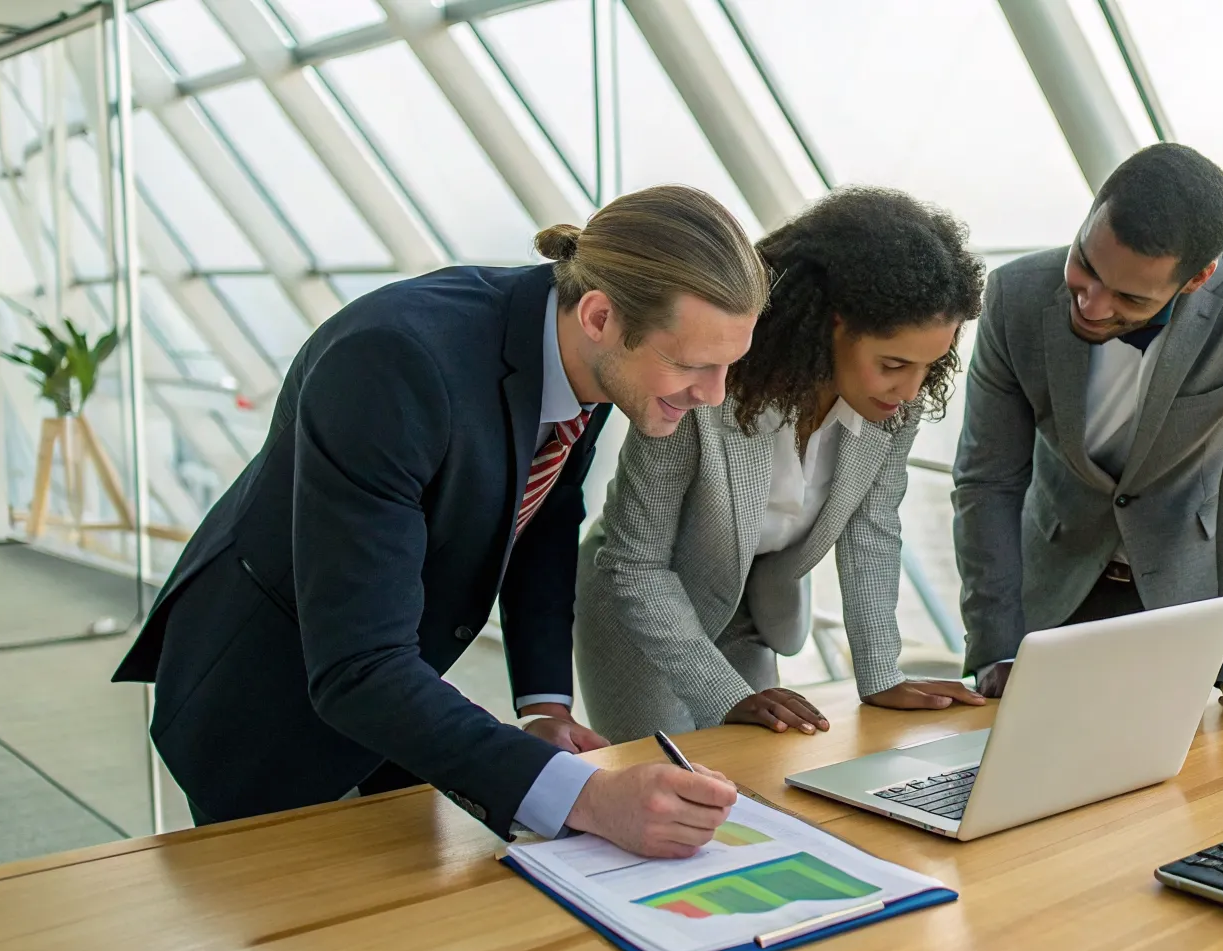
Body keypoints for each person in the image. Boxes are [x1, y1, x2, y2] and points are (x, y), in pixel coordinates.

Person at [113, 185, 766, 857]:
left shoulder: (591, 348)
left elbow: (542, 518)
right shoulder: (392, 362)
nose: (712, 396)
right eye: (693, 365)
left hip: (399, 689)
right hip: (269, 700)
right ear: (600, 317)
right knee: (292, 936)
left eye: (726, 367)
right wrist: (586, 797)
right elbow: (359, 666)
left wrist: (543, 705)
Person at [951, 143, 1223, 735]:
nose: (1092, 306)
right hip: (1051, 598)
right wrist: (996, 647)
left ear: (1197, 279)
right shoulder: (1014, 297)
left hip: (1181, 604)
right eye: (1086, 267)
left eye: (1130, 298)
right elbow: (988, 480)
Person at [576, 187, 987, 744]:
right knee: (668, 783)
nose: (911, 389)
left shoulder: (888, 404)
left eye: (928, 366)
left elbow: (871, 532)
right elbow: (635, 563)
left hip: (751, 613)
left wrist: (881, 676)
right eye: (892, 363)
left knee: (756, 778)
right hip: (645, 613)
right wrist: (730, 695)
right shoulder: (702, 390)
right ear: (831, 324)